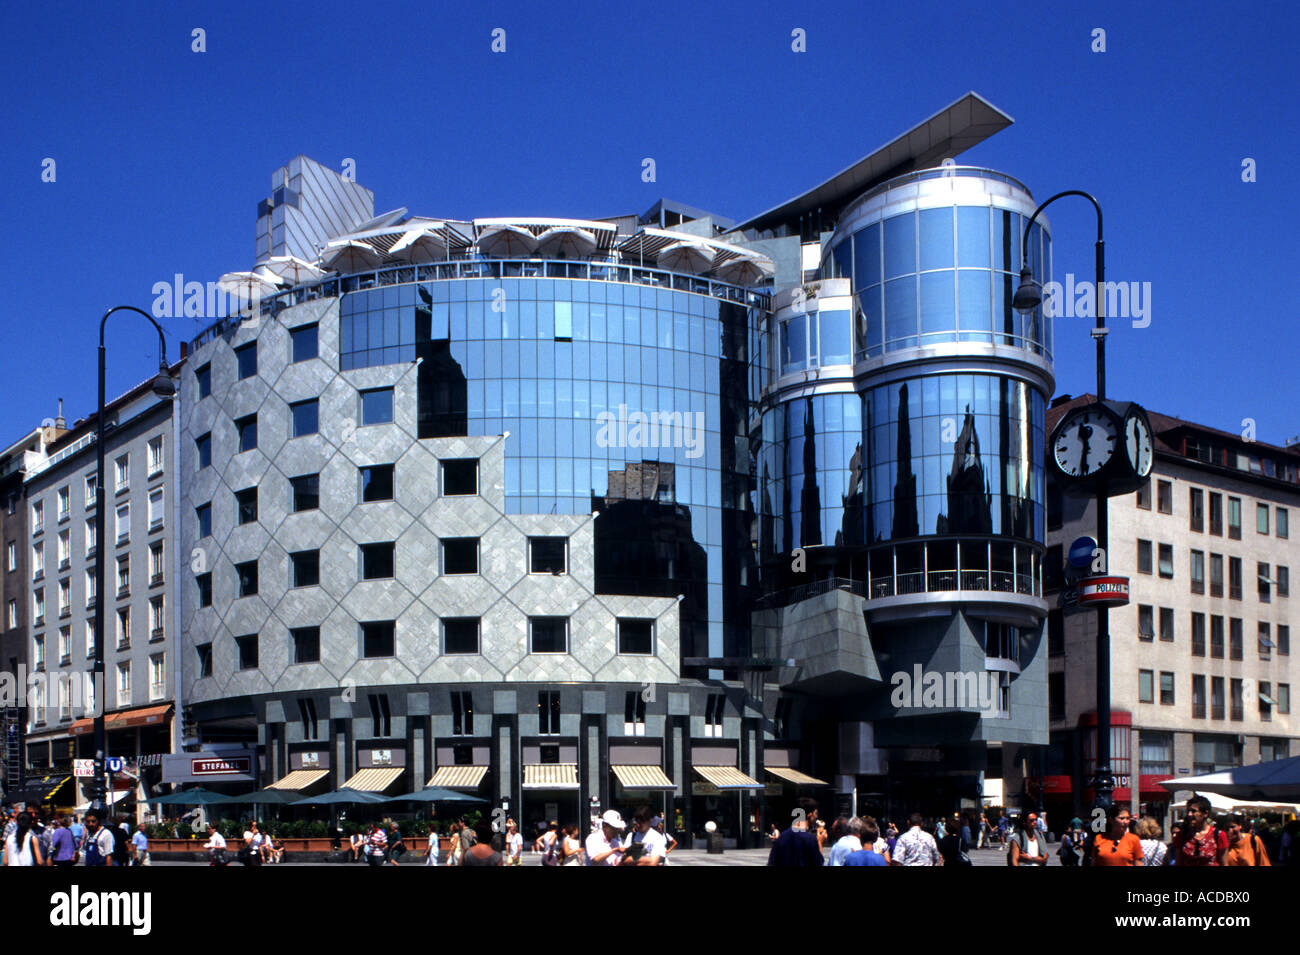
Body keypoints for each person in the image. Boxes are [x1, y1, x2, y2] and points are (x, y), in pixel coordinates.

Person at [1171, 796, 1227, 866]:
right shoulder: (1182, 835)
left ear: (1205, 814)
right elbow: (1178, 862)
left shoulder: (1219, 835)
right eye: (1188, 811)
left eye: (1193, 811)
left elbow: (1224, 863)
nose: (1189, 814)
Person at [767, 797, 823, 866]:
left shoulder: (782, 837)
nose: (816, 817)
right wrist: (820, 841)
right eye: (815, 813)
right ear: (810, 815)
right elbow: (818, 862)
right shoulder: (810, 839)